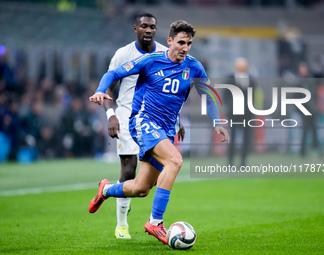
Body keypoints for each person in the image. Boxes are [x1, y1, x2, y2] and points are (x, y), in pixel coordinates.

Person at [88, 20, 229, 245]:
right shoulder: (150, 61)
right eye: (181, 42)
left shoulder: (194, 66)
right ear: (169, 41)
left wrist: (216, 122)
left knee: (141, 188)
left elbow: (208, 95)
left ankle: (105, 190)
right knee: (175, 160)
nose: (185, 48)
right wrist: (100, 91)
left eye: (189, 43)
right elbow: (113, 73)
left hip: (165, 129)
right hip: (142, 122)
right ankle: (155, 222)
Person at [101, 12, 179, 240]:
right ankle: (122, 224)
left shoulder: (164, 54)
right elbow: (108, 86)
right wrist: (110, 115)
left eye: (152, 27)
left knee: (147, 183)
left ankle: (116, 192)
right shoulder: (123, 54)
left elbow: (172, 91)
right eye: (144, 26)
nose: (148, 30)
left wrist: (177, 119)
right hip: (126, 117)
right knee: (128, 170)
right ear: (135, 28)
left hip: (156, 120)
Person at [225, 57, 255, 167]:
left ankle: (243, 162)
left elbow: (253, 95)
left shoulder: (251, 79)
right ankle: (230, 162)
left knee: (246, 138)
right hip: (234, 113)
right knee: (232, 137)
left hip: (247, 113)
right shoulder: (230, 78)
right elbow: (226, 94)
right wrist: (229, 107)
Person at [296, 62, 321, 157]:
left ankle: (316, 149)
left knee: (314, 130)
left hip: (312, 110)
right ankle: (303, 151)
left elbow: (314, 95)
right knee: (305, 131)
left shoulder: (309, 81)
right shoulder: (298, 83)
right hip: (304, 110)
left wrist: (315, 107)